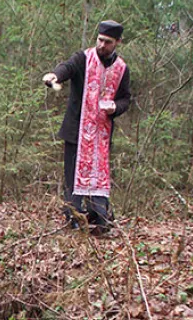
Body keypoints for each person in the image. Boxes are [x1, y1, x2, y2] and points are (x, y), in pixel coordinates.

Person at [43, 20, 132, 233]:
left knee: (98, 178)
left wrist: (115, 108)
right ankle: (72, 219)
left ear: (117, 42)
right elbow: (67, 67)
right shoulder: (83, 58)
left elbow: (126, 99)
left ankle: (99, 221)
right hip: (77, 132)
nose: (102, 45)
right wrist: (55, 75)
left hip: (102, 135)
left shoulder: (121, 69)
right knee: (73, 178)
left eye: (108, 42)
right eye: (100, 40)